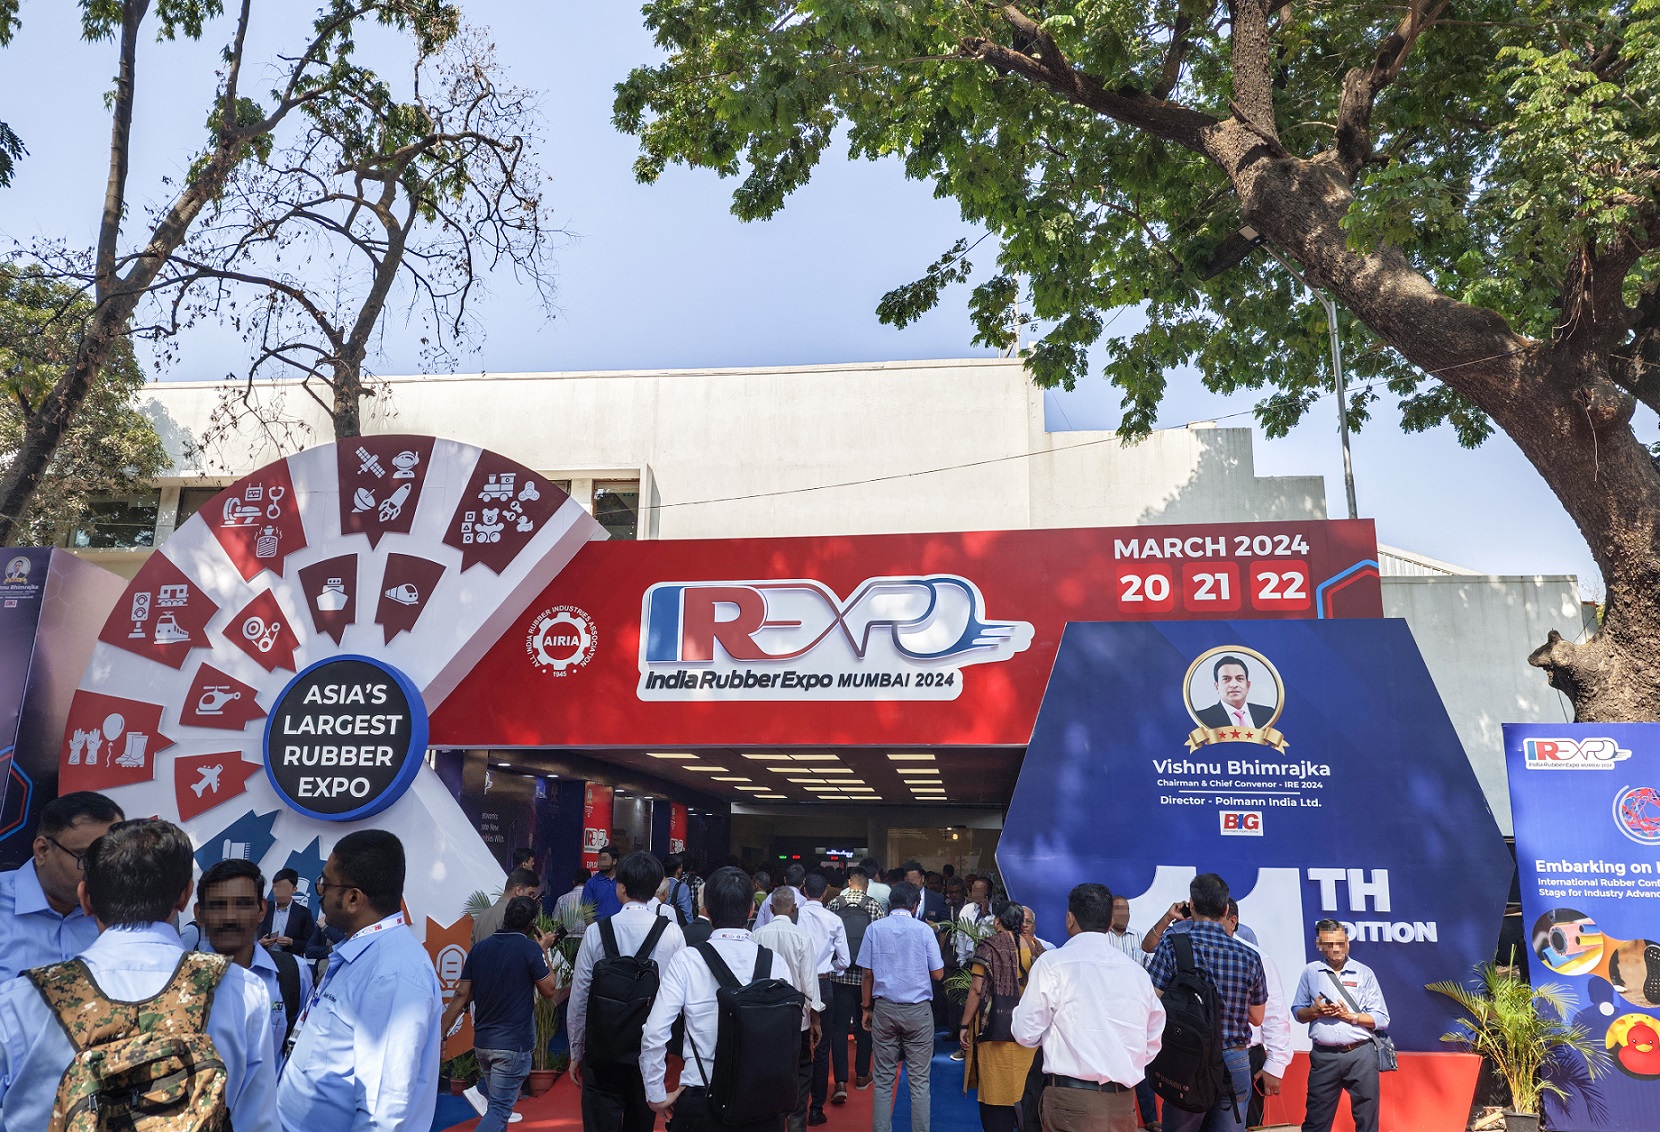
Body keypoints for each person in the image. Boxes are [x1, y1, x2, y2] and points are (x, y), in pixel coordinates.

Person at [0, 817, 278, 1132]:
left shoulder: (20, 1000)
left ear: (86, 898)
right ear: (185, 896)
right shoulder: (243, 991)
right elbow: (258, 1123)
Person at [277, 829, 442, 1132]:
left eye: (325, 883)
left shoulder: (393, 973)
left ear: (353, 898)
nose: (320, 892)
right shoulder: (365, 955)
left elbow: (383, 1112)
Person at [639, 866, 794, 1132]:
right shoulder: (775, 963)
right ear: (751, 910)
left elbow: (654, 1032)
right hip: (761, 1100)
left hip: (701, 1094)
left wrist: (655, 1094)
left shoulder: (687, 960)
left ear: (706, 910)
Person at [1012, 884, 1165, 1132]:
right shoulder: (1136, 973)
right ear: (1110, 922)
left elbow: (1025, 1033)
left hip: (1070, 1101)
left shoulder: (1052, 964)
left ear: (1070, 919)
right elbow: (1153, 1038)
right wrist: (1119, 1064)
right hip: (1122, 1102)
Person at [571, 851, 688, 1132]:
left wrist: (576, 1049)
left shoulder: (596, 932)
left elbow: (580, 996)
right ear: (656, 887)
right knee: (640, 1123)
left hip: (602, 1048)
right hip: (648, 1047)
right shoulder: (672, 933)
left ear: (620, 888)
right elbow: (682, 998)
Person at [1145, 875, 1265, 1132]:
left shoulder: (1173, 946)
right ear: (1225, 910)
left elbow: (1150, 1001)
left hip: (1187, 1056)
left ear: (1191, 905)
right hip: (1235, 1058)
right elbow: (1257, 1017)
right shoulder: (1250, 956)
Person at [442, 896, 562, 1132]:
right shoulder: (529, 949)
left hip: (483, 1043)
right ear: (532, 923)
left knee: (497, 1111)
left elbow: (461, 994)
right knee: (498, 1111)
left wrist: (442, 1032)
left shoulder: (479, 949)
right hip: (512, 1046)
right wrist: (544, 951)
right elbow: (549, 989)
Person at [199, 858, 315, 1066]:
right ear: (200, 914)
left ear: (261, 910)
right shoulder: (183, 980)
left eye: (242, 904)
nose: (230, 917)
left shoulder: (294, 974)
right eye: (218, 905)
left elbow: (308, 1051)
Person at [0, 790, 123, 981]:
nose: (101, 869)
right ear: (42, 850)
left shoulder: (126, 909)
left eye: (112, 857)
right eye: (86, 857)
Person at [860, 880, 944, 1132]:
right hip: (918, 1011)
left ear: (890, 904)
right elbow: (938, 973)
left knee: (883, 1079)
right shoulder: (924, 931)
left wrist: (866, 1008)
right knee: (919, 1082)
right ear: (915, 905)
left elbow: (867, 974)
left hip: (884, 1008)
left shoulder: (874, 929)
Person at [1292, 920, 1390, 1132]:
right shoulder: (1311, 972)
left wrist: (1350, 1016)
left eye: (1340, 943)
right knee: (1315, 1122)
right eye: (1329, 944)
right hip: (1323, 1057)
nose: (1336, 949)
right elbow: (1298, 1012)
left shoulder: (1364, 973)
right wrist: (1314, 1012)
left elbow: (1382, 1018)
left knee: (1367, 1122)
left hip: (1360, 1055)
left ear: (1347, 942)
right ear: (1319, 945)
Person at [960, 902, 1045, 1132]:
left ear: (997, 921)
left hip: (996, 1030)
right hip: (1028, 1034)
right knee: (1026, 1090)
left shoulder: (989, 947)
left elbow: (976, 990)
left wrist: (964, 1025)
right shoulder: (1036, 947)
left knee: (996, 1094)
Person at [753, 884, 828, 1132]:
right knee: (801, 1070)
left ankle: (770, 1121)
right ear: (794, 908)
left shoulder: (757, 935)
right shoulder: (801, 937)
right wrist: (815, 1019)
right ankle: (796, 1123)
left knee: (768, 1071)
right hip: (797, 1018)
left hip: (764, 1016)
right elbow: (809, 982)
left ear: (771, 908)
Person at [1218, 903, 1290, 1130]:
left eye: (1216, 920)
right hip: (1200, 1057)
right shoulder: (1189, 951)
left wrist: (1275, 1066)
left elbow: (1275, 1015)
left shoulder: (1257, 958)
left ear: (1233, 921)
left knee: (1247, 1125)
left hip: (1247, 1057)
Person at [827, 865, 884, 1098]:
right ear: (866, 885)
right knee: (865, 1024)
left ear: (849, 882)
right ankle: (861, 1075)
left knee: (839, 1027)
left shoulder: (834, 905)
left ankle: (840, 1081)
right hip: (865, 978)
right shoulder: (875, 906)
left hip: (838, 976)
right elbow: (879, 944)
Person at [799, 873, 851, 1123]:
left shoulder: (794, 917)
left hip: (797, 985)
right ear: (824, 893)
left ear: (804, 891)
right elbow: (845, 960)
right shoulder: (834, 919)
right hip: (822, 982)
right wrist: (830, 967)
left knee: (797, 1044)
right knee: (822, 1046)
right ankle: (816, 1108)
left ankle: (795, 1106)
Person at [1194, 655, 1274, 730]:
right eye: (1226, 679)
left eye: (1239, 679)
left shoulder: (1269, 714)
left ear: (1248, 685)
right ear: (1216, 686)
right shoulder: (1201, 718)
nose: (1234, 685)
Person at [475, 867, 543, 945]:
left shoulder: (481, 916)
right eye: (530, 894)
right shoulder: (512, 916)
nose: (532, 899)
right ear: (518, 891)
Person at [259, 867, 317, 956]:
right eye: (276, 887)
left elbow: (310, 945)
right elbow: (248, 936)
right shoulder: (264, 909)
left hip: (289, 960)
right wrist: (260, 943)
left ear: (294, 890)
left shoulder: (303, 913)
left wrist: (291, 942)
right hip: (263, 957)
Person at [755, 862, 808, 930]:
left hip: (768, 936)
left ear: (785, 880)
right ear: (803, 881)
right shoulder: (804, 902)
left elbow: (758, 927)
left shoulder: (770, 897)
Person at [584, 846, 624, 920]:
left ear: (614, 861)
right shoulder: (591, 883)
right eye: (599, 859)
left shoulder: (623, 881)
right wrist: (596, 927)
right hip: (599, 926)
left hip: (622, 926)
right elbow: (587, 914)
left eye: (604, 859)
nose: (600, 862)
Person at [554, 867, 591, 934]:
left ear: (573, 881)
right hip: (587, 937)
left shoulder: (562, 899)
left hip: (567, 938)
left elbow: (555, 922)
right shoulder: (594, 899)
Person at [665, 852, 696, 927]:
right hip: (676, 927)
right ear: (678, 870)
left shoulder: (658, 884)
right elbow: (687, 914)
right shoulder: (682, 888)